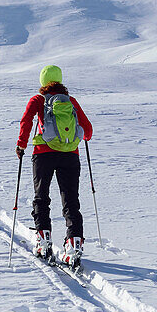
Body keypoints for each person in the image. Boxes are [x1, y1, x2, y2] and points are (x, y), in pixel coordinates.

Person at [16, 65, 93, 267]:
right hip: (70, 155)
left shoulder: (38, 100)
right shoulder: (71, 102)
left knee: (41, 197)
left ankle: (43, 241)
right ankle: (74, 244)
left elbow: (26, 121)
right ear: (60, 80)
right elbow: (88, 131)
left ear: (43, 81)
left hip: (43, 154)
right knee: (71, 200)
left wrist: (21, 144)